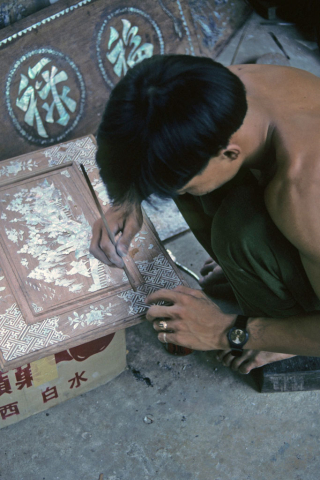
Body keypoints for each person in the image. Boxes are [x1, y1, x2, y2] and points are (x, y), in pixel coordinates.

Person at [90, 54, 320, 374]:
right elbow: (154, 134)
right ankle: (266, 279)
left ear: (229, 153)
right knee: (195, 189)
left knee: (239, 234)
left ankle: (284, 331)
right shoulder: (211, 89)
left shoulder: (303, 193)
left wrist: (226, 330)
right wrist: (126, 200)